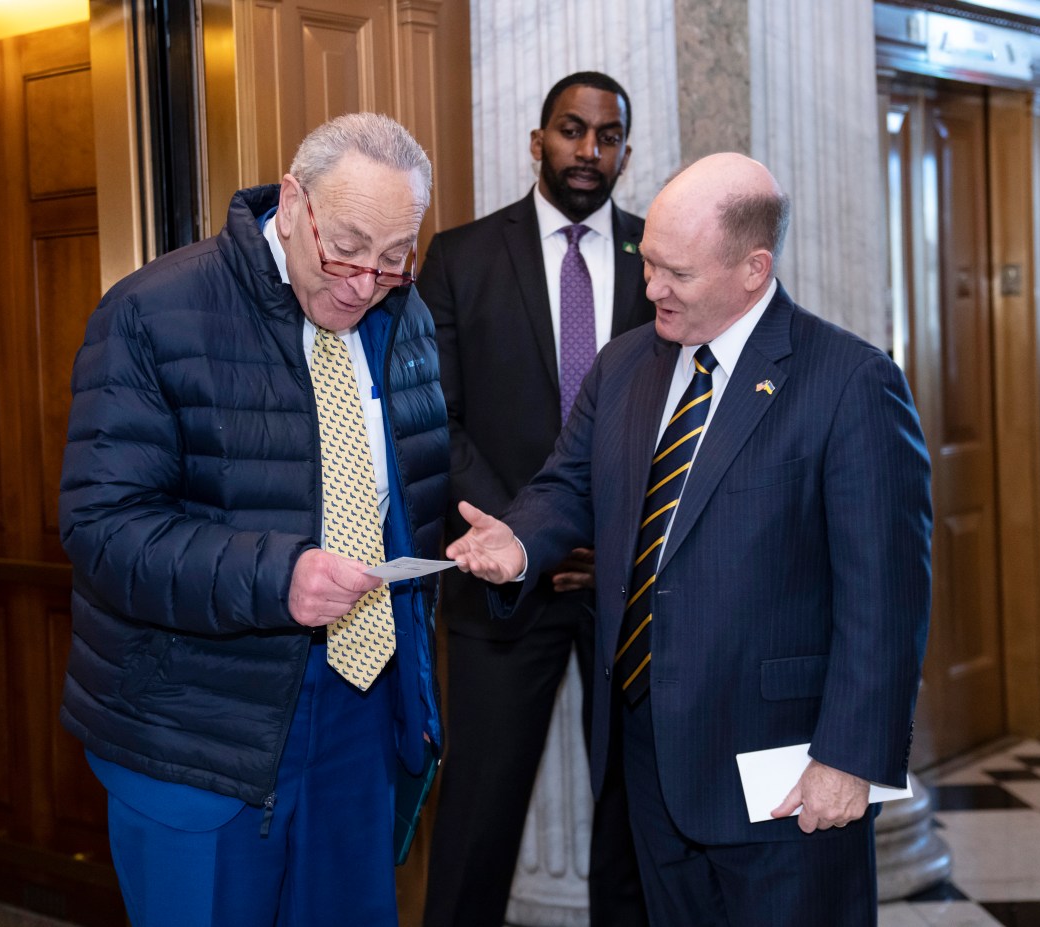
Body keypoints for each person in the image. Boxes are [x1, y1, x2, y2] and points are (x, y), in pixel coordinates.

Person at [447, 153, 932, 927]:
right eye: (648, 265)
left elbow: (888, 598)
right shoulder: (627, 364)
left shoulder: (849, 382)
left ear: (752, 268)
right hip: (649, 753)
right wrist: (521, 542)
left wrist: (852, 757)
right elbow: (566, 484)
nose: (651, 288)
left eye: (678, 273)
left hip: (787, 767)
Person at [58, 112, 449, 927]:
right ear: (294, 197)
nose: (361, 284)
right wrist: (279, 576)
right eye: (344, 248)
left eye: (392, 259)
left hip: (360, 707)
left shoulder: (403, 314)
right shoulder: (152, 312)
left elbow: (400, 491)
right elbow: (104, 529)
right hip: (200, 729)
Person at [419, 71, 651, 927]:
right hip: (497, 586)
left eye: (609, 135)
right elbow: (437, 421)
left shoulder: (655, 259)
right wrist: (531, 536)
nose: (590, 151)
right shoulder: (462, 255)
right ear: (537, 141)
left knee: (633, 820)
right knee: (479, 821)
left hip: (625, 588)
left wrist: (607, 535)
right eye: (572, 130)